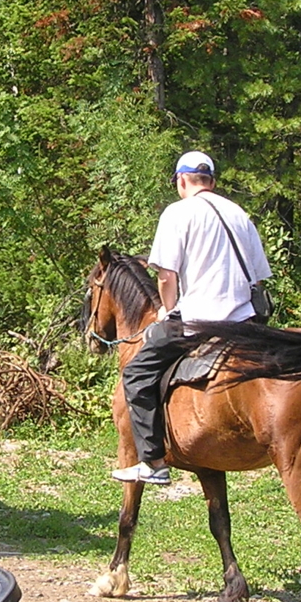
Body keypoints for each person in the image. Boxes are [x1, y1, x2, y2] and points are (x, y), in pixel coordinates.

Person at [114, 151, 272, 485]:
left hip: (201, 321)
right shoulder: (240, 214)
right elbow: (258, 278)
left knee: (138, 372)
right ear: (212, 181)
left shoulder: (178, 212)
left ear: (182, 180)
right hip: (247, 322)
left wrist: (165, 312)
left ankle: (153, 461)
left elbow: (167, 276)